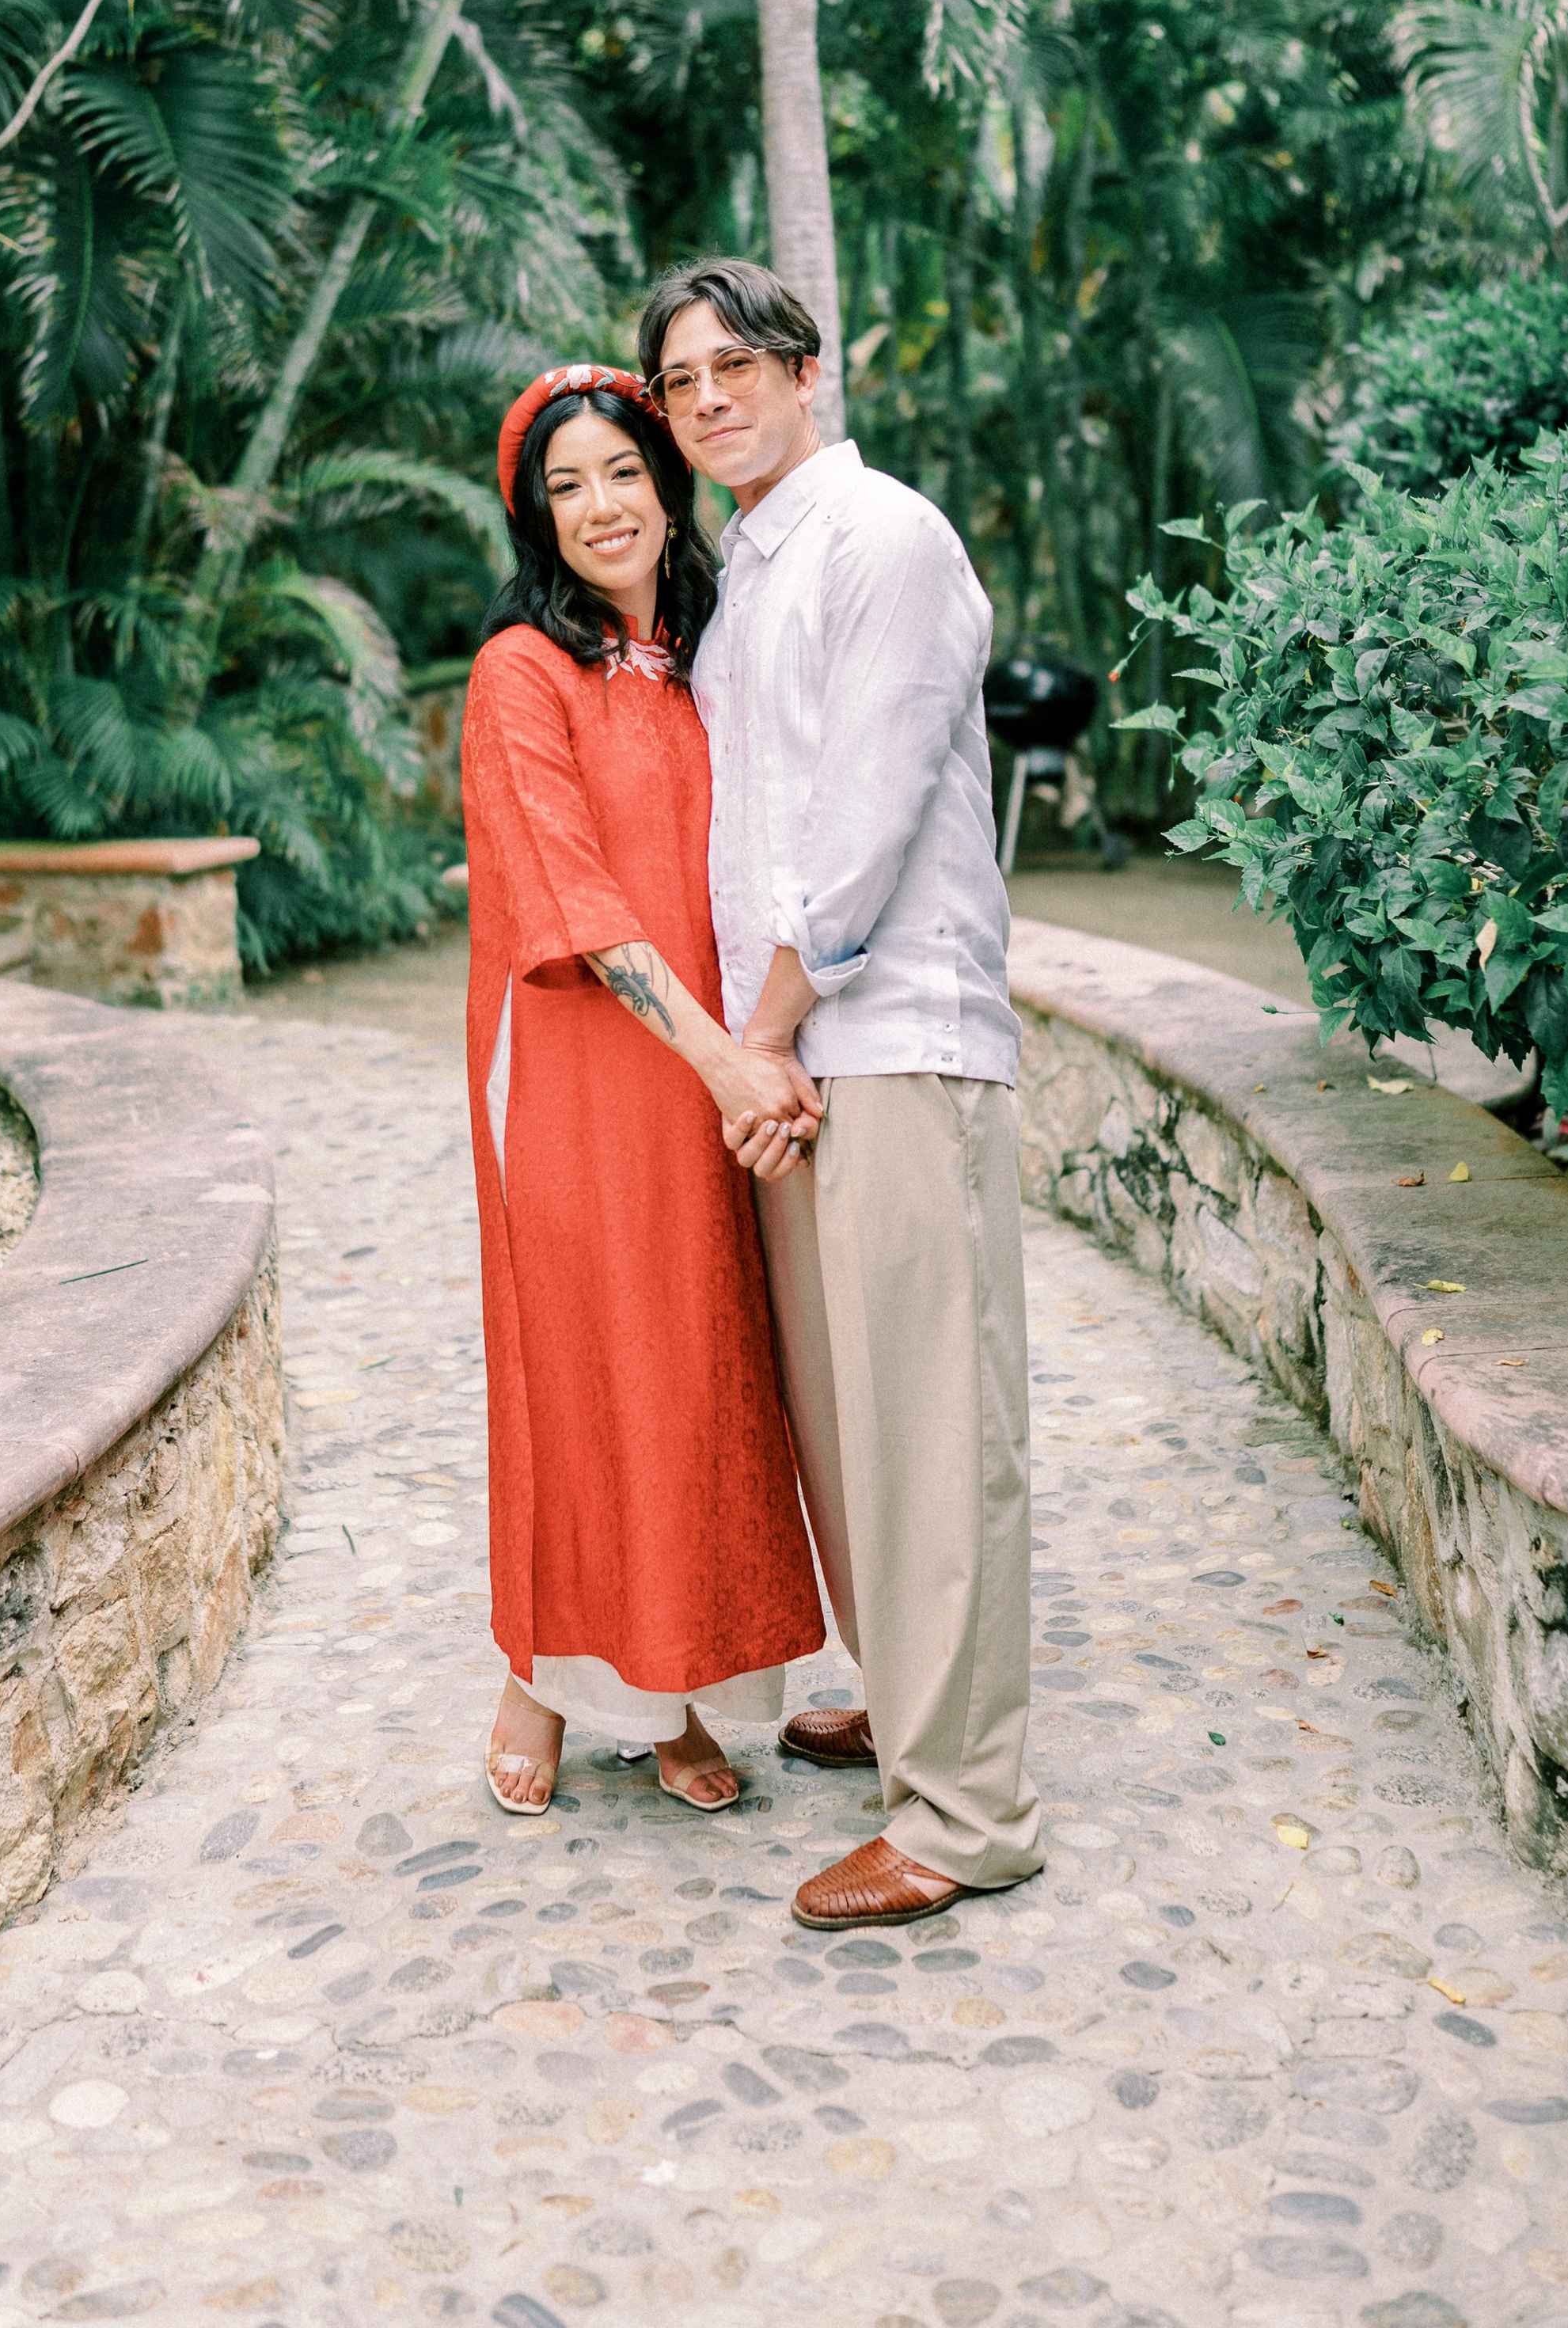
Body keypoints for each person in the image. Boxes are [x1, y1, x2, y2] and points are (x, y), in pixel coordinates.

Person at [636, 263, 1046, 1931]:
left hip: (892, 1045)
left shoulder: (885, 540)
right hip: (799, 1055)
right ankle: (904, 1698)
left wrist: (765, 1038)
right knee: (848, 1427)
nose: (708, 399)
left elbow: (860, 832)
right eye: (680, 383)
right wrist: (758, 1051)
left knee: (933, 1433)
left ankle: (967, 1813)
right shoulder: (748, 572)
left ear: (808, 371)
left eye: (735, 365)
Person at [461, 361, 824, 1816]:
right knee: (581, 1365)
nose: (601, 505)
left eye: (622, 471)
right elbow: (573, 897)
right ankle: (541, 1674)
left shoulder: (709, 655)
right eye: (567, 486)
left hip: (713, 1065)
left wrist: (758, 1046)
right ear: (537, 520)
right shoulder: (520, 671)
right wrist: (729, 1060)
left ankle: (673, 1686)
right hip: (576, 1067)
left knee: (695, 1358)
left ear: (668, 486)